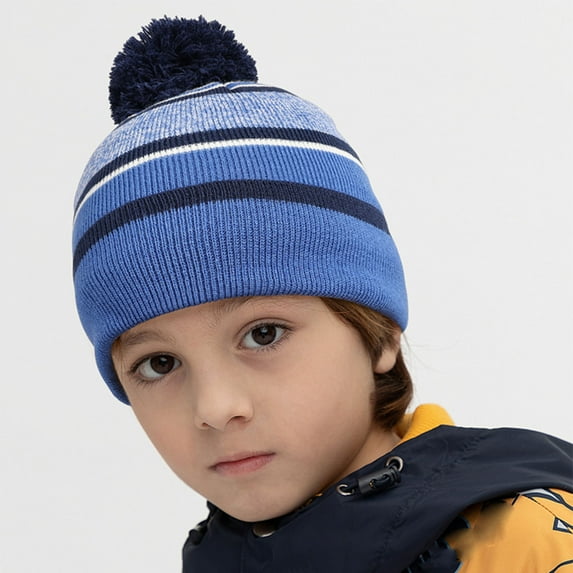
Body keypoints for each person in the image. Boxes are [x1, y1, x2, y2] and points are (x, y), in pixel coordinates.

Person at [72, 16, 573, 572]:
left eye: (264, 334)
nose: (215, 408)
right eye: (159, 363)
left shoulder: (523, 544)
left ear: (378, 333)